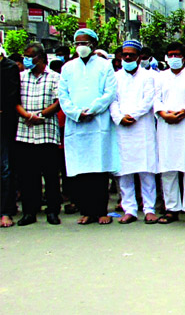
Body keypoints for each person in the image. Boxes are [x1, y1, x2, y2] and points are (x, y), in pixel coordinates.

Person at [58, 28, 119, 225]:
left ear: (93, 44)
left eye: (84, 43)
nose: (81, 47)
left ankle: (101, 211)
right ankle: (86, 211)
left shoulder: (104, 65)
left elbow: (110, 92)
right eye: (77, 43)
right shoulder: (68, 68)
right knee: (81, 171)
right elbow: (63, 95)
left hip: (98, 123)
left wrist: (92, 110)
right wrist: (76, 113)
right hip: (76, 125)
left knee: (98, 170)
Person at [109, 40, 159, 224]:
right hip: (122, 128)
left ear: (139, 57)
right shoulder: (115, 77)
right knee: (124, 172)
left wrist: (134, 115)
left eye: (131, 54)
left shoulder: (149, 76)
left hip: (142, 128)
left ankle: (149, 209)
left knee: (146, 171)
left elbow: (149, 100)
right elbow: (112, 100)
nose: (127, 57)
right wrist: (119, 117)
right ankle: (129, 209)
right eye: (125, 54)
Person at [154, 42, 185, 224]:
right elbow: (155, 98)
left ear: (184, 57)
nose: (173, 58)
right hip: (166, 125)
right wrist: (163, 113)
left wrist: (183, 111)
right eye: (170, 55)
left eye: (177, 55)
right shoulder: (160, 77)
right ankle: (171, 208)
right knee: (168, 167)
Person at [14, 43, 62, 226]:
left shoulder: (54, 78)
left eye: (29, 56)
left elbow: (59, 102)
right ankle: (29, 211)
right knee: (28, 175)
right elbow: (14, 100)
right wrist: (27, 115)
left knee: (50, 175)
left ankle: (52, 211)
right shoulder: (20, 77)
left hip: (46, 131)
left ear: (40, 58)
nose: (26, 60)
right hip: (24, 131)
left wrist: (41, 115)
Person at [0, 50, 20, 227]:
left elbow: (11, 96)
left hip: (5, 125)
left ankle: (6, 211)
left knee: (5, 169)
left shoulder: (9, 68)